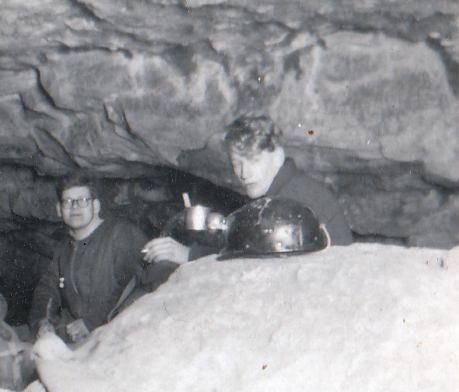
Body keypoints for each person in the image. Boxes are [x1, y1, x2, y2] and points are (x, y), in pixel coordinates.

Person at [143, 114, 353, 268]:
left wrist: (189, 255)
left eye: (253, 160)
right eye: (237, 163)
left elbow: (252, 262)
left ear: (277, 157)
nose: (243, 173)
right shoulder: (285, 189)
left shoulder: (290, 199)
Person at [29, 175, 149, 342]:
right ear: (59, 209)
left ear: (96, 205)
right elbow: (48, 288)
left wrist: (91, 323)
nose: (75, 207)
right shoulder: (63, 248)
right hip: (78, 334)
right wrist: (43, 322)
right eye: (68, 201)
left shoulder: (121, 234)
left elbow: (137, 282)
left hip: (121, 334)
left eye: (82, 200)